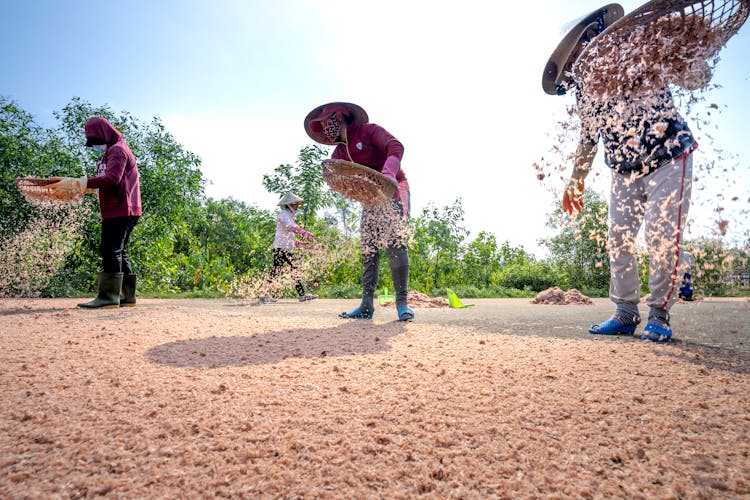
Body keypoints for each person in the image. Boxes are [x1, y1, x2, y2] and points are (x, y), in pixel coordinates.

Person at [544, 4, 699, 343]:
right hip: (624, 169)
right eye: (569, 62)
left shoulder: (636, 53)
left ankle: (659, 314)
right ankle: (625, 313)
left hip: (670, 156)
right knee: (619, 239)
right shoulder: (586, 90)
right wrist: (576, 179)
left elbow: (689, 71)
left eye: (576, 52)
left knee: (661, 236)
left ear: (594, 37)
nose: (573, 63)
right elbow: (589, 136)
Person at [304, 102, 413, 321]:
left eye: (327, 122)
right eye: (322, 126)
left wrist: (388, 174)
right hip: (371, 198)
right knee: (368, 248)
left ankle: (402, 303)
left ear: (341, 115)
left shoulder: (368, 131)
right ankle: (366, 305)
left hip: (393, 188)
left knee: (395, 243)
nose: (325, 128)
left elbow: (396, 147)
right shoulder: (339, 152)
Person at [48, 116, 141, 309]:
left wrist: (79, 182)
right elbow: (105, 181)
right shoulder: (111, 152)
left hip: (121, 208)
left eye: (97, 141)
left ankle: (108, 297)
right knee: (119, 250)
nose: (96, 146)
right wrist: (80, 187)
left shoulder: (117, 151)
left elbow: (112, 179)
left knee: (110, 249)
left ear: (105, 134)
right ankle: (126, 296)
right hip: (122, 208)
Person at [260, 192, 318, 303]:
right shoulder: (283, 214)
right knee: (291, 269)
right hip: (281, 248)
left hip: (284, 247)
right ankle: (301, 294)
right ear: (290, 204)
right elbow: (289, 227)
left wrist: (298, 243)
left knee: (278, 270)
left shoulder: (290, 216)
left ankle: (265, 294)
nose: (298, 206)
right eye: (296, 203)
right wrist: (304, 233)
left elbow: (288, 234)